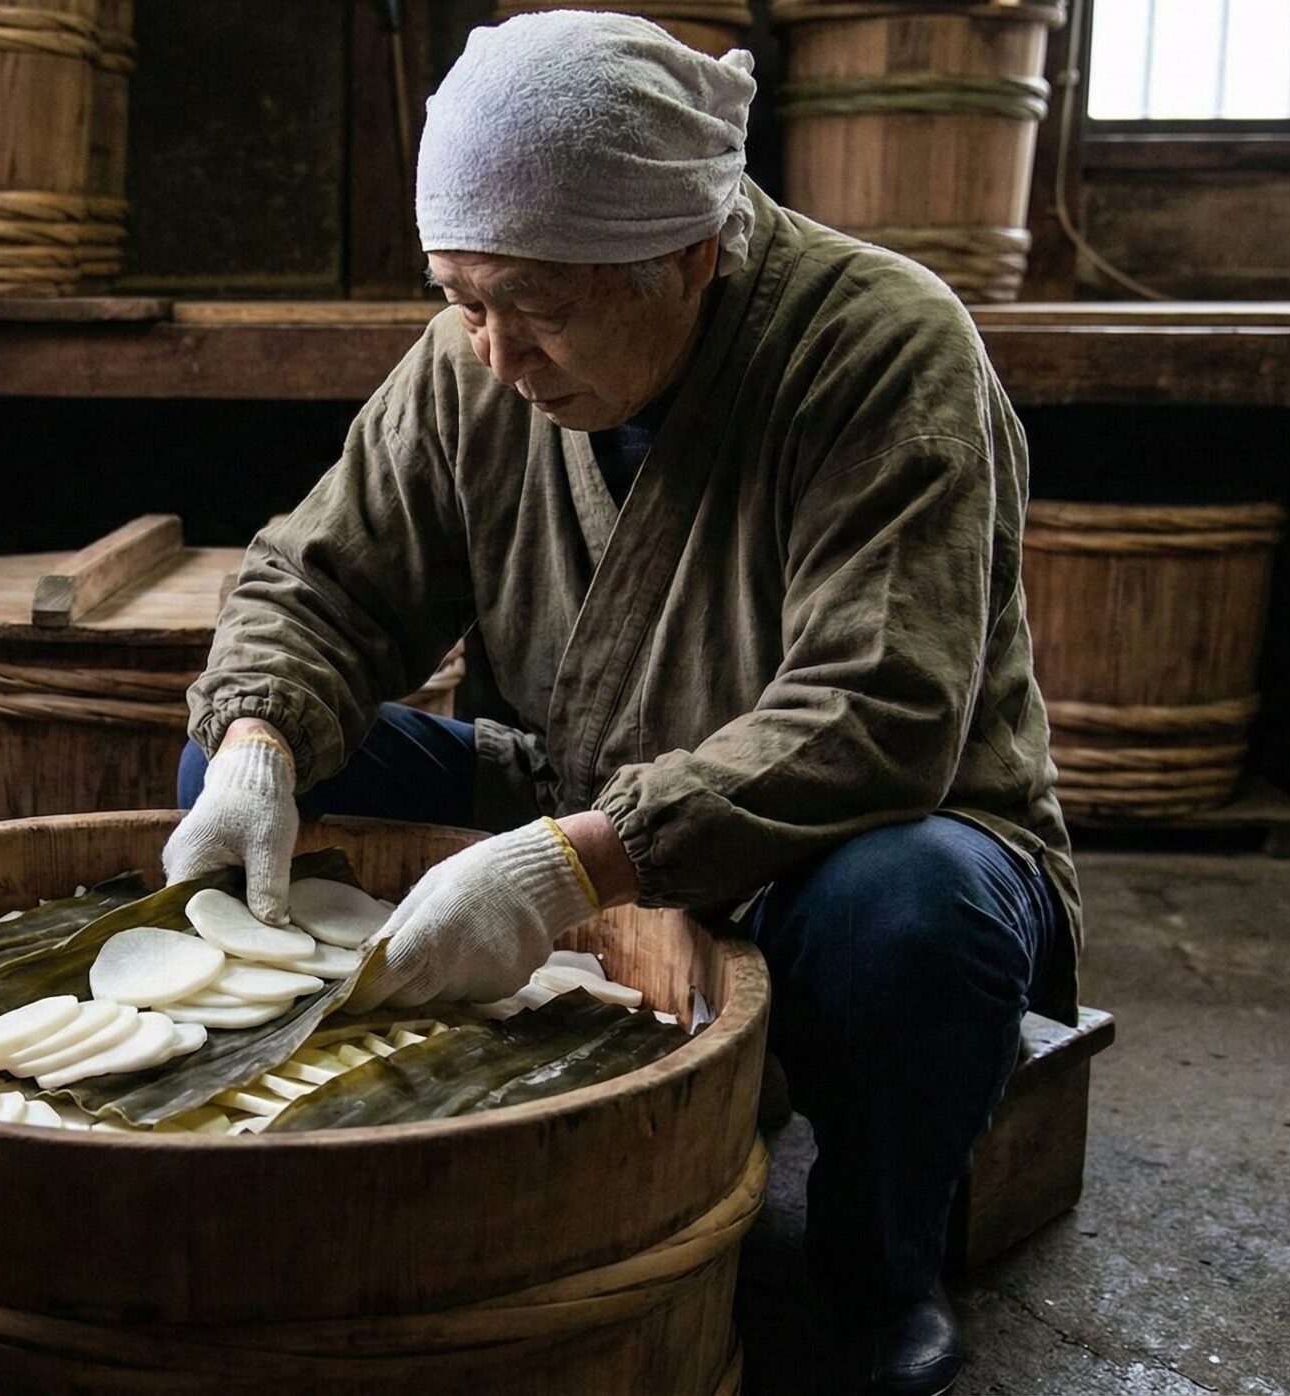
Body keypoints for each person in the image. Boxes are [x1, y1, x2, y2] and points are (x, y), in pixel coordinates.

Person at [161, 13, 1079, 1394]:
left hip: (846, 841)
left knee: (913, 914)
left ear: (694, 255)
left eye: (537, 304)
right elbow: (323, 585)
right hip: (573, 784)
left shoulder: (884, 351)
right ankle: (370, 1144)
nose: (497, 352)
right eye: (462, 297)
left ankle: (875, 1272)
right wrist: (256, 741)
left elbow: (879, 712)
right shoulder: (473, 359)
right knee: (257, 779)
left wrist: (564, 868)